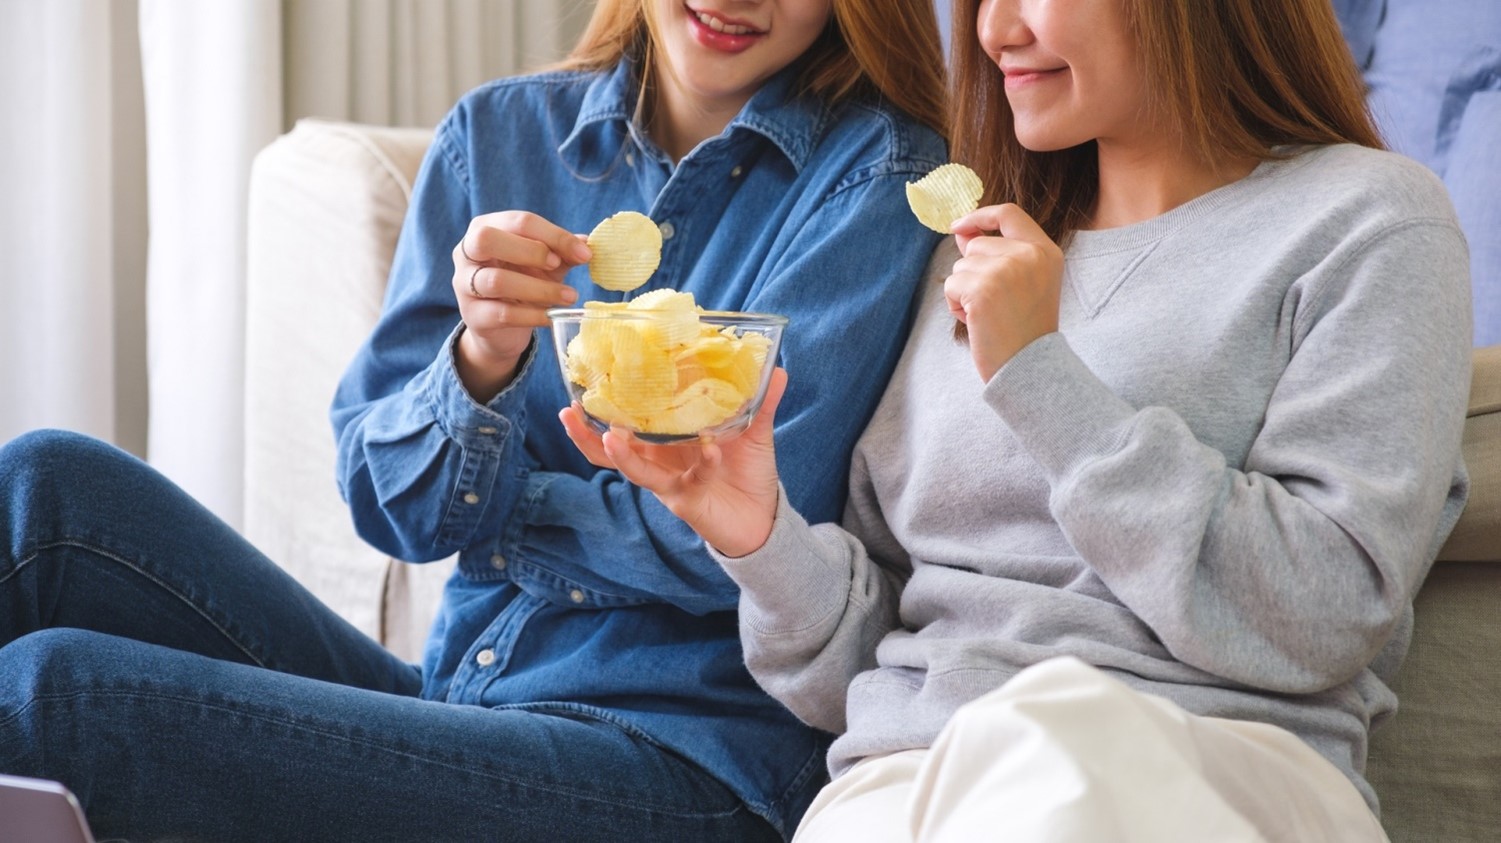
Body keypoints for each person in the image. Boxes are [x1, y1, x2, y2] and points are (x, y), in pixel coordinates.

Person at [0, 0, 948, 840]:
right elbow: (387, 504)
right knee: (44, 486)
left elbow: (726, 542)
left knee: (58, 697)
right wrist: (479, 362)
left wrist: (510, 509)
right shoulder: (496, 138)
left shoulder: (876, 176)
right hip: (460, 696)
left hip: (678, 758)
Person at [563, 0, 1474, 839]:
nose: (994, 31)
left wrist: (1040, 375)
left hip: (1204, 761)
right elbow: (865, 665)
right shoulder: (971, 253)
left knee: (1047, 741)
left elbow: (1321, 611)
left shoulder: (1370, 219)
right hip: (911, 777)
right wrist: (757, 534)